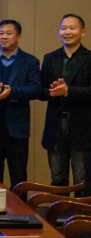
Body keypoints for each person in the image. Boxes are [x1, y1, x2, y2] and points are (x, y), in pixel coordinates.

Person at [0, 20, 41, 188]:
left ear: (18, 37)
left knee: (19, 175)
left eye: (8, 33)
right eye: (1, 33)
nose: (3, 37)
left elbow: (36, 89)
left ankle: (20, 205)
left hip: (17, 128)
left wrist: (13, 92)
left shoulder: (30, 61)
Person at [40, 14, 91, 190]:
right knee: (57, 179)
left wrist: (68, 91)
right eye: (63, 28)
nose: (67, 32)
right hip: (55, 126)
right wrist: (52, 92)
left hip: (82, 128)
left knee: (82, 181)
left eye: (72, 28)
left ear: (82, 32)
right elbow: (41, 91)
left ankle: (80, 209)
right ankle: (58, 208)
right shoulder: (50, 58)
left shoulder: (89, 58)